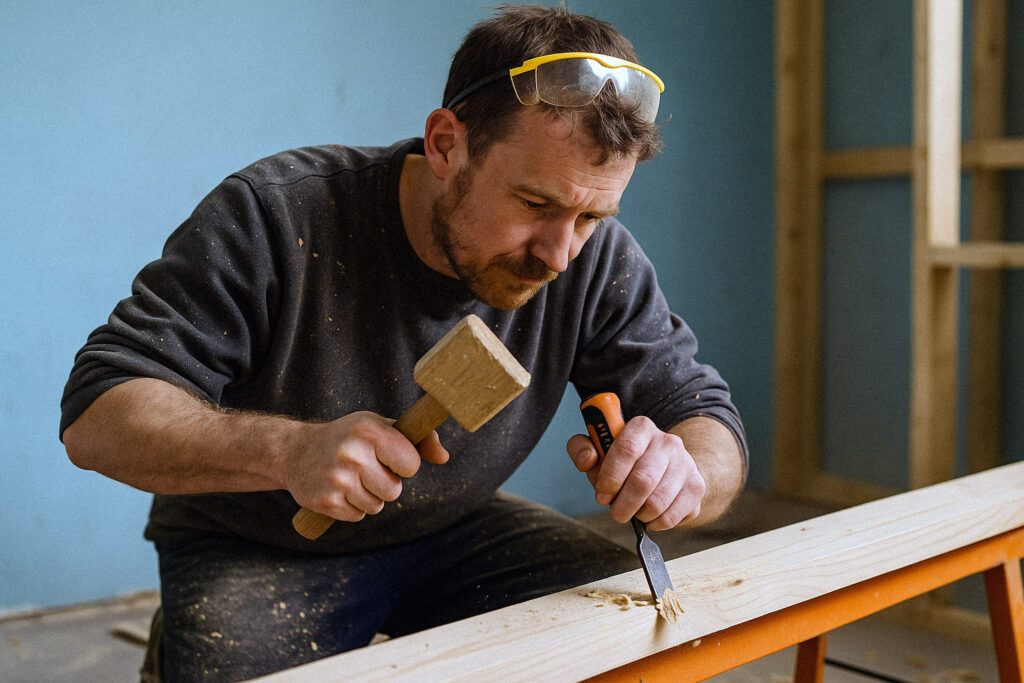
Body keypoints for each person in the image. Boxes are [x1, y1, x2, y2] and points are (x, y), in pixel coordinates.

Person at [61, 5, 747, 681]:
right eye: (535, 205)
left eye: (592, 216)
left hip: (454, 525)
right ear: (447, 143)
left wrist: (685, 472)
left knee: (637, 635)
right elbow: (96, 418)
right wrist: (291, 450)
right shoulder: (278, 214)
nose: (560, 254)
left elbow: (706, 418)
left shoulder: (590, 257)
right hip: (258, 541)